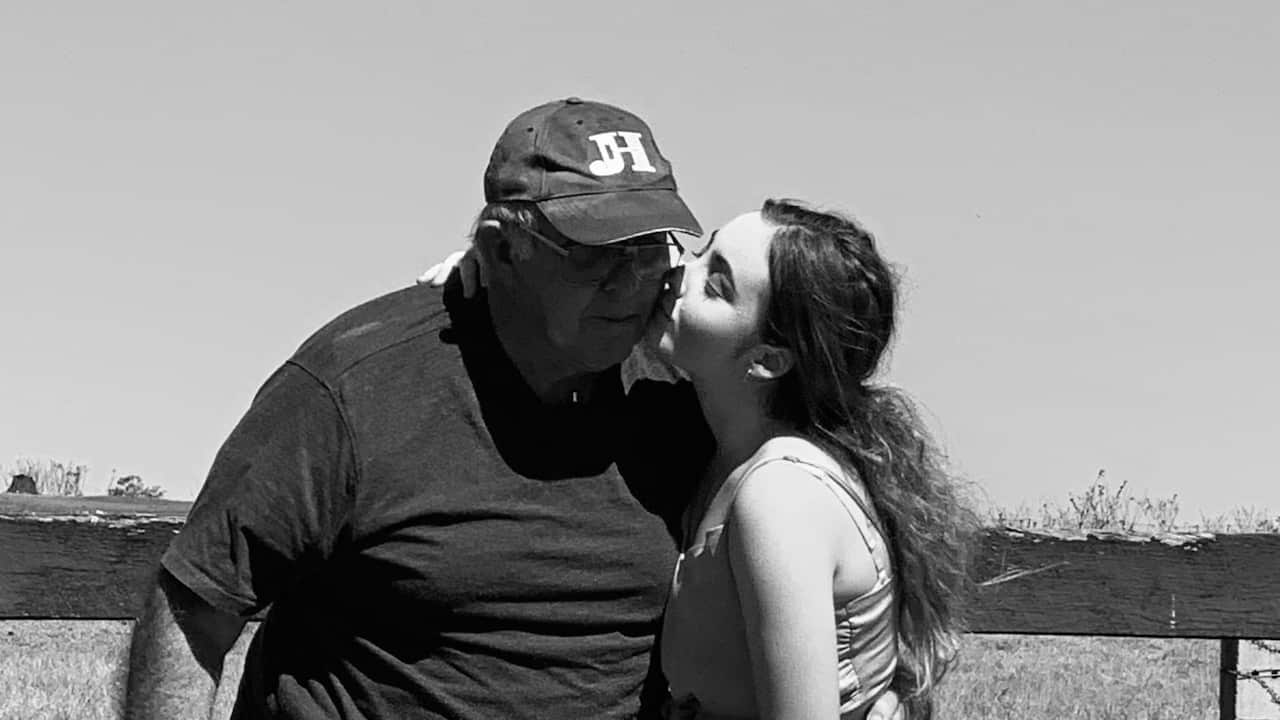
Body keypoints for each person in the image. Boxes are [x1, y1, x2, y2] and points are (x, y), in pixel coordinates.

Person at [122, 97, 908, 720]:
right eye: (597, 256)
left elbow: (831, 506)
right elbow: (194, 610)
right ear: (502, 248)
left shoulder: (685, 397)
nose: (636, 283)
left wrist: (883, 688)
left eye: (650, 249)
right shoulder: (356, 386)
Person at [650, 200, 978, 719]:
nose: (677, 274)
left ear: (766, 360)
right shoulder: (733, 454)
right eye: (700, 251)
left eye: (715, 285)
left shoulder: (779, 498)